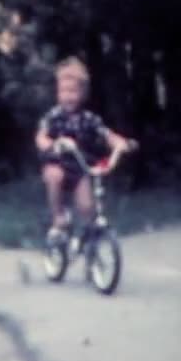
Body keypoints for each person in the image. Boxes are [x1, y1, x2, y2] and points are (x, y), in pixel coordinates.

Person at [35, 56, 133, 240]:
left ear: (82, 93)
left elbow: (106, 134)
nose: (68, 96)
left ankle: (89, 246)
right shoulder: (54, 116)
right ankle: (58, 218)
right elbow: (41, 136)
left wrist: (120, 143)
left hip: (81, 168)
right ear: (57, 93)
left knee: (88, 207)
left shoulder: (89, 119)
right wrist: (53, 144)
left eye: (73, 91)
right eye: (63, 91)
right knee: (53, 176)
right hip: (58, 163)